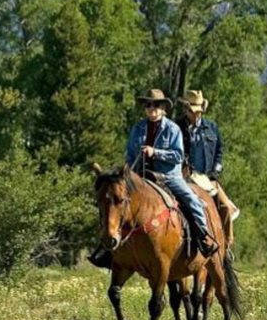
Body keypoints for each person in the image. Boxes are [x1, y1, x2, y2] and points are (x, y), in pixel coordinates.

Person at [89, 89, 217, 268]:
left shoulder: (172, 129)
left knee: (192, 200)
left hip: (168, 176)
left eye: (155, 105)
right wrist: (128, 170)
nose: (151, 108)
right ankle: (108, 248)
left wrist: (155, 152)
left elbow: (178, 156)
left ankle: (204, 237)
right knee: (115, 203)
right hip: (141, 177)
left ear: (163, 107)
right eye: (148, 105)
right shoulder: (138, 128)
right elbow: (130, 154)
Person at [176, 90, 239, 221]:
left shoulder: (212, 127)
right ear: (185, 109)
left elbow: (219, 150)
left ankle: (227, 240)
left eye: (198, 112)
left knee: (226, 209)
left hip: (207, 178)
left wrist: (216, 169)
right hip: (183, 178)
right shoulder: (176, 127)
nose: (195, 115)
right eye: (192, 111)